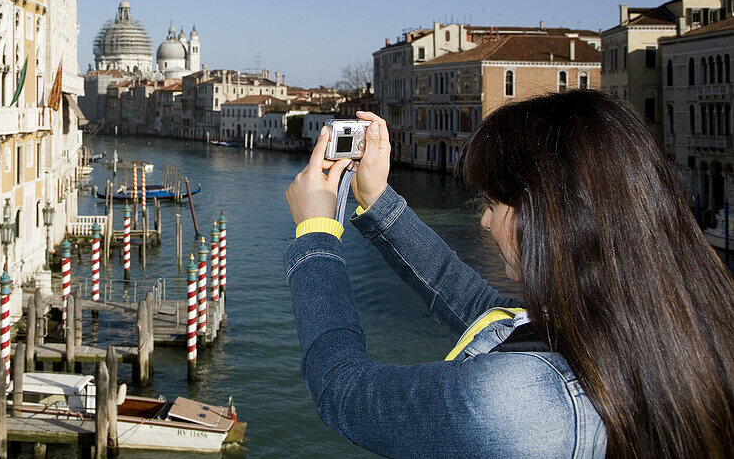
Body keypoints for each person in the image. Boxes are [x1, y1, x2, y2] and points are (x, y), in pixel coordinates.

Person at [285, 89, 734, 458]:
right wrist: (377, 199)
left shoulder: (522, 402)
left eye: (493, 205)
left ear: (545, 219)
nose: (484, 221)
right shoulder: (679, 325)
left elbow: (343, 391)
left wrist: (316, 233)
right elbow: (487, 313)